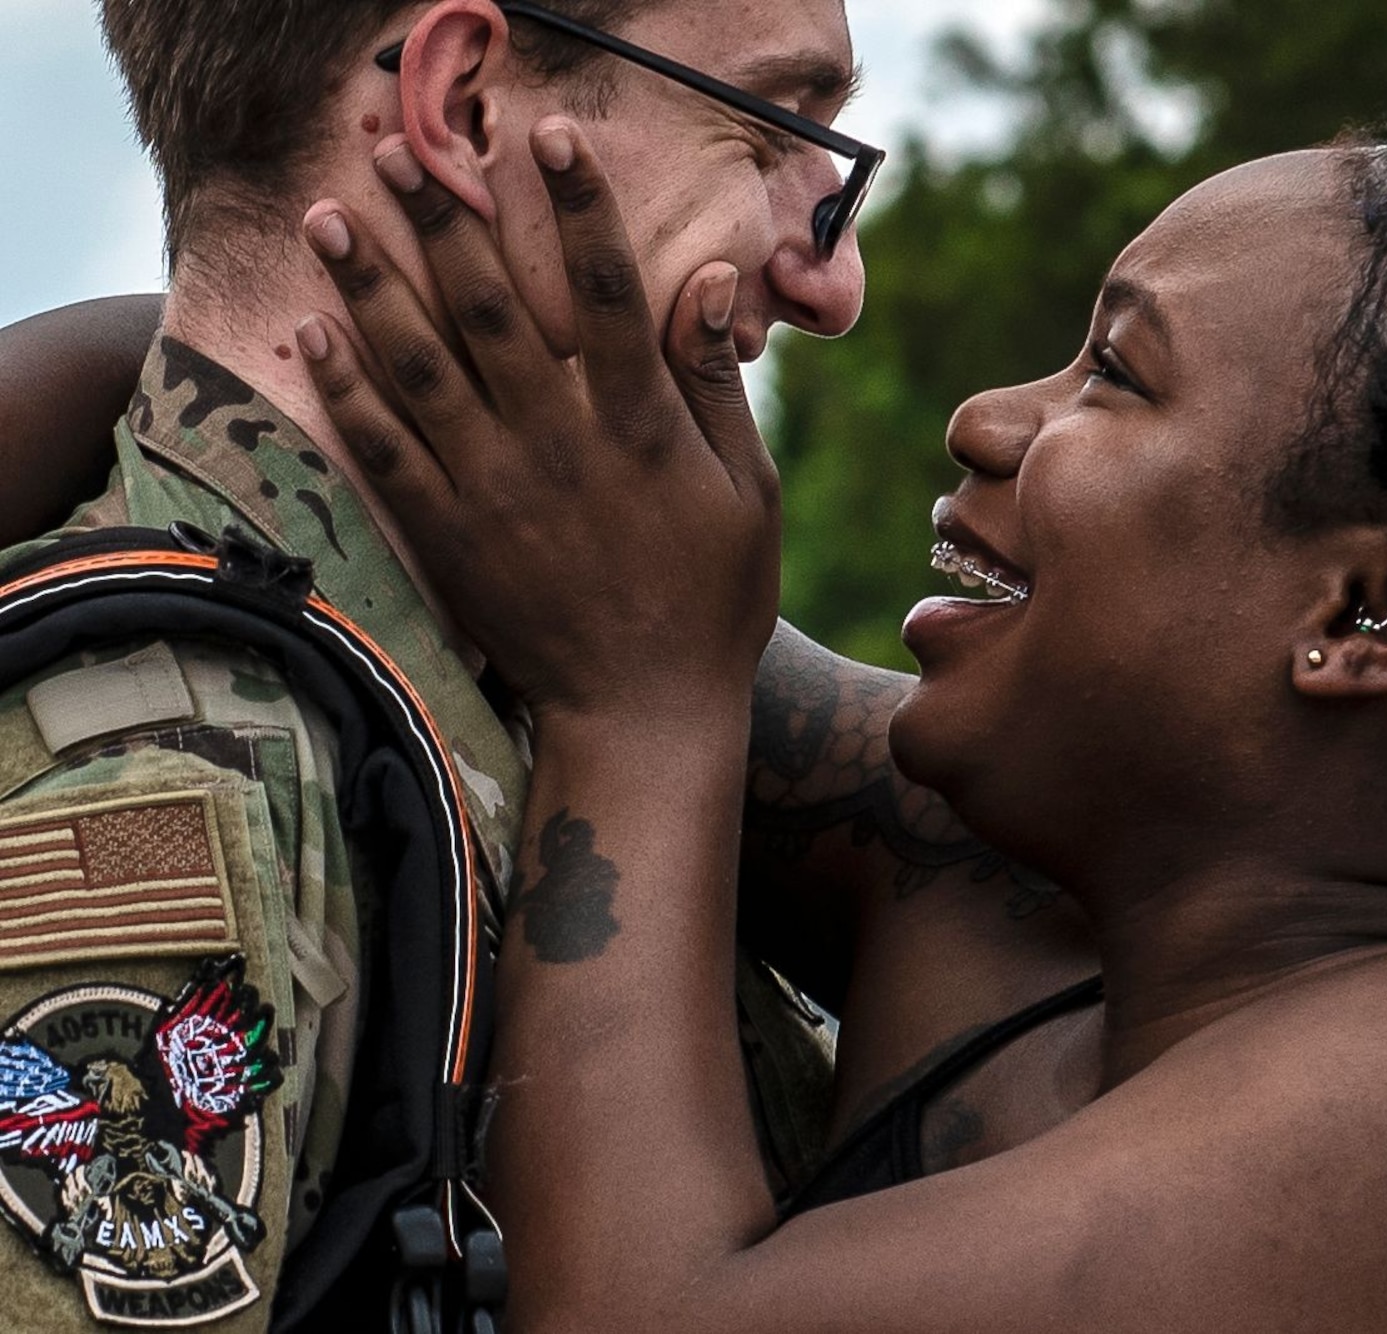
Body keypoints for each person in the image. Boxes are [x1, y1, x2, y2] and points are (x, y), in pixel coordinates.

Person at [280, 93, 1387, 1329]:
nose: (984, 415)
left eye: (1118, 370)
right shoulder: (977, 872)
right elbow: (530, 535)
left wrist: (637, 713)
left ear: (1368, 610)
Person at [0, 0, 1025, 1326]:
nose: (832, 277)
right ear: (468, 107)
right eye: (776, 129)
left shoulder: (494, 683)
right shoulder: (177, 793)